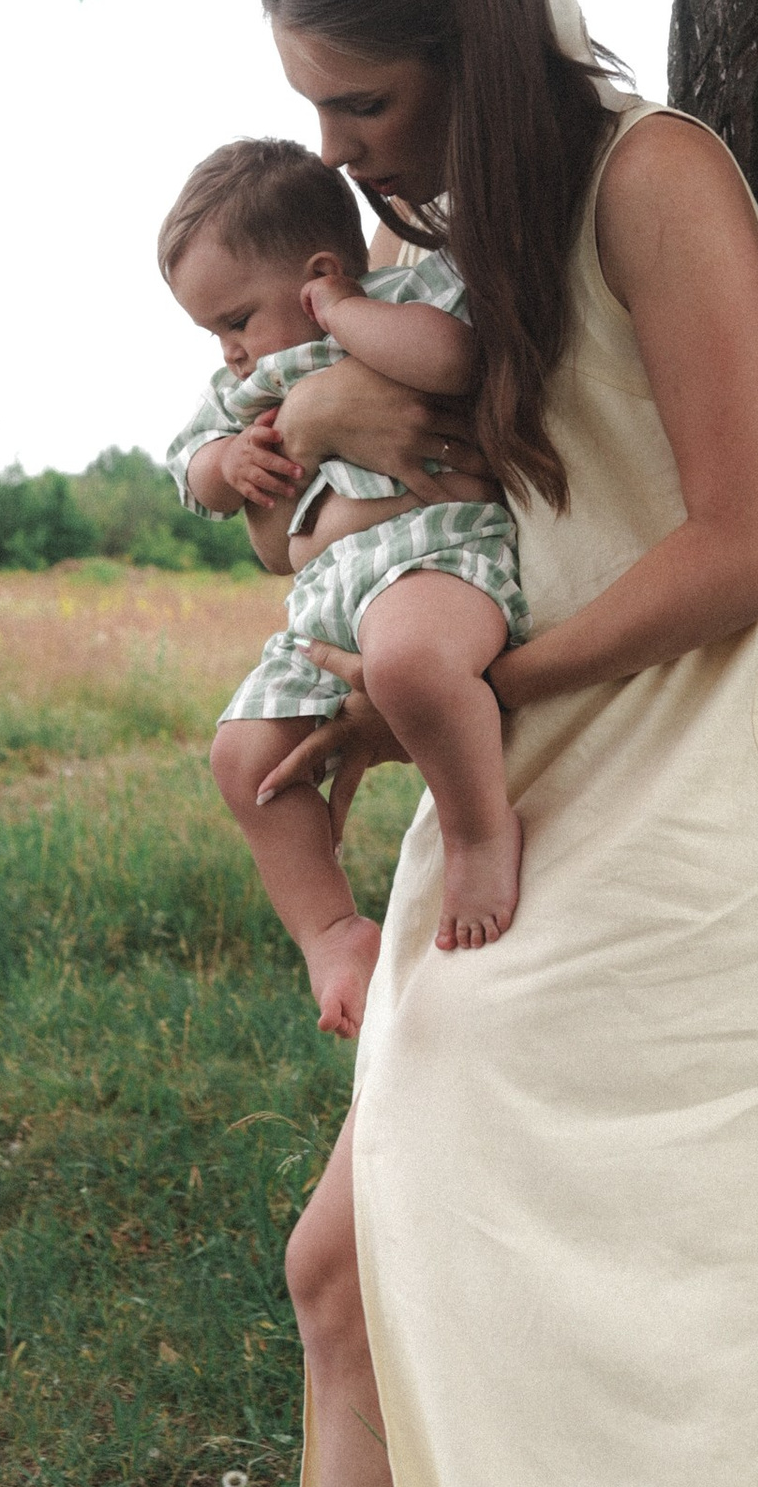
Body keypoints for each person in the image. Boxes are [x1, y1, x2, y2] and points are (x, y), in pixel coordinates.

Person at [8, 0, 758, 1487]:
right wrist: (318, 468)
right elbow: (440, 498)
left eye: (365, 103)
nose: (341, 149)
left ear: (470, 48)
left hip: (676, 805)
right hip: (529, 794)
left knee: (368, 1271)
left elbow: (750, 546)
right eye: (316, 107)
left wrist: (458, 701)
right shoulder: (433, 257)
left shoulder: (653, 180)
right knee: (337, 1272)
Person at [157, 134, 531, 1015]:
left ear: (319, 273)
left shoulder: (402, 299)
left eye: (237, 321)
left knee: (409, 665)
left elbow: (454, 362)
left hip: (434, 555)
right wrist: (227, 463)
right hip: (324, 601)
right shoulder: (242, 391)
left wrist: (341, 312)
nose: (230, 352)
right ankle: (330, 931)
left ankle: (480, 836)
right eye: (212, 334)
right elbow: (190, 470)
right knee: (242, 756)